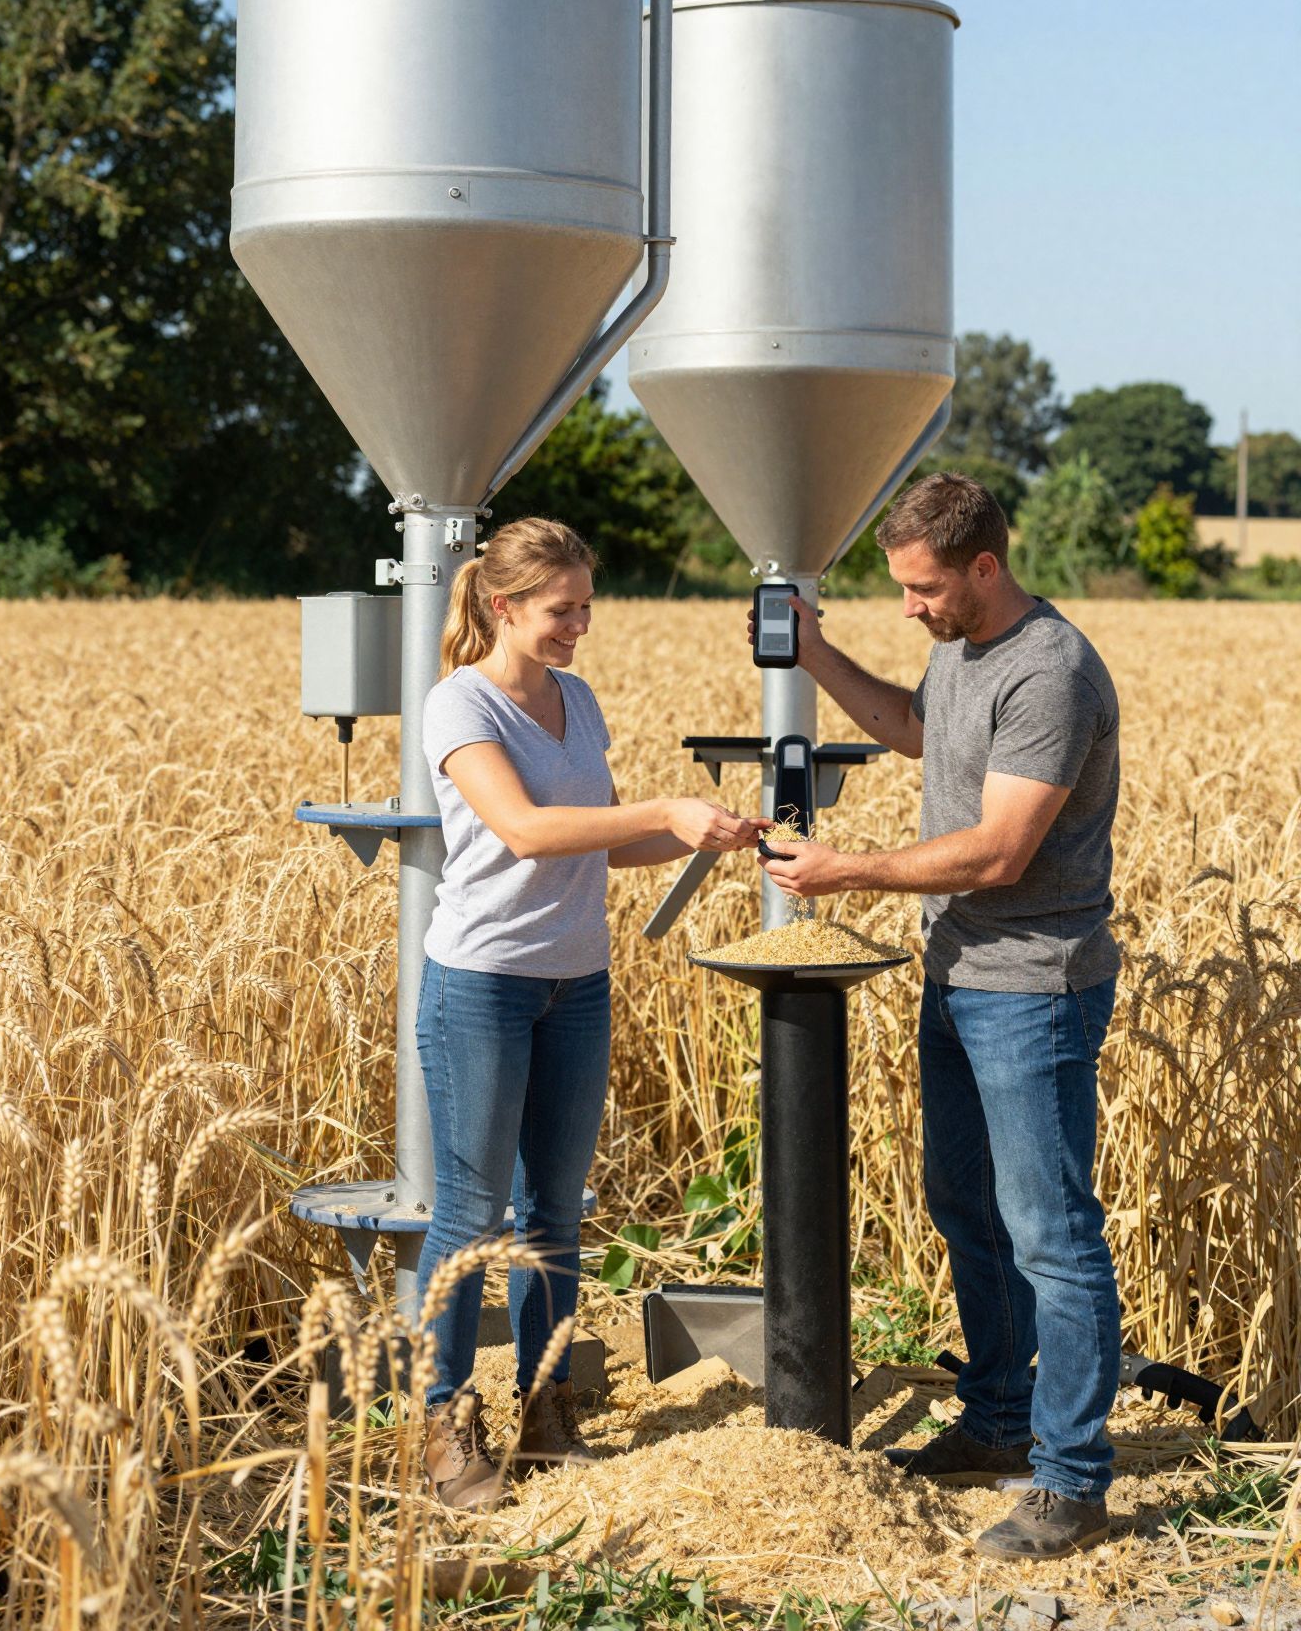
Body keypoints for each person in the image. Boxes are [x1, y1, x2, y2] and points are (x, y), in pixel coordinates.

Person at [756, 473, 1122, 1563]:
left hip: (1034, 986)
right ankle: (999, 1419)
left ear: (985, 566)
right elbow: (917, 729)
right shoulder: (963, 646)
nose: (911, 606)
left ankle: (1071, 1480)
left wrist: (847, 869)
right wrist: (814, 653)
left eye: (923, 589)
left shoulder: (1051, 671)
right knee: (965, 1203)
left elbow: (1001, 851)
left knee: (1052, 1233)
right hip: (959, 974)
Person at [417, 516, 758, 1509]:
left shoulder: (578, 699)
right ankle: (443, 1425)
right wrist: (664, 808)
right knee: (471, 1214)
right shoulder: (459, 703)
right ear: (502, 605)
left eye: (586, 607)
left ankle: (545, 1408)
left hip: (577, 982)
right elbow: (527, 830)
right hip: (482, 982)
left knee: (555, 1214)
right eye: (562, 610)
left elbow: (598, 841)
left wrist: (702, 836)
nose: (579, 627)